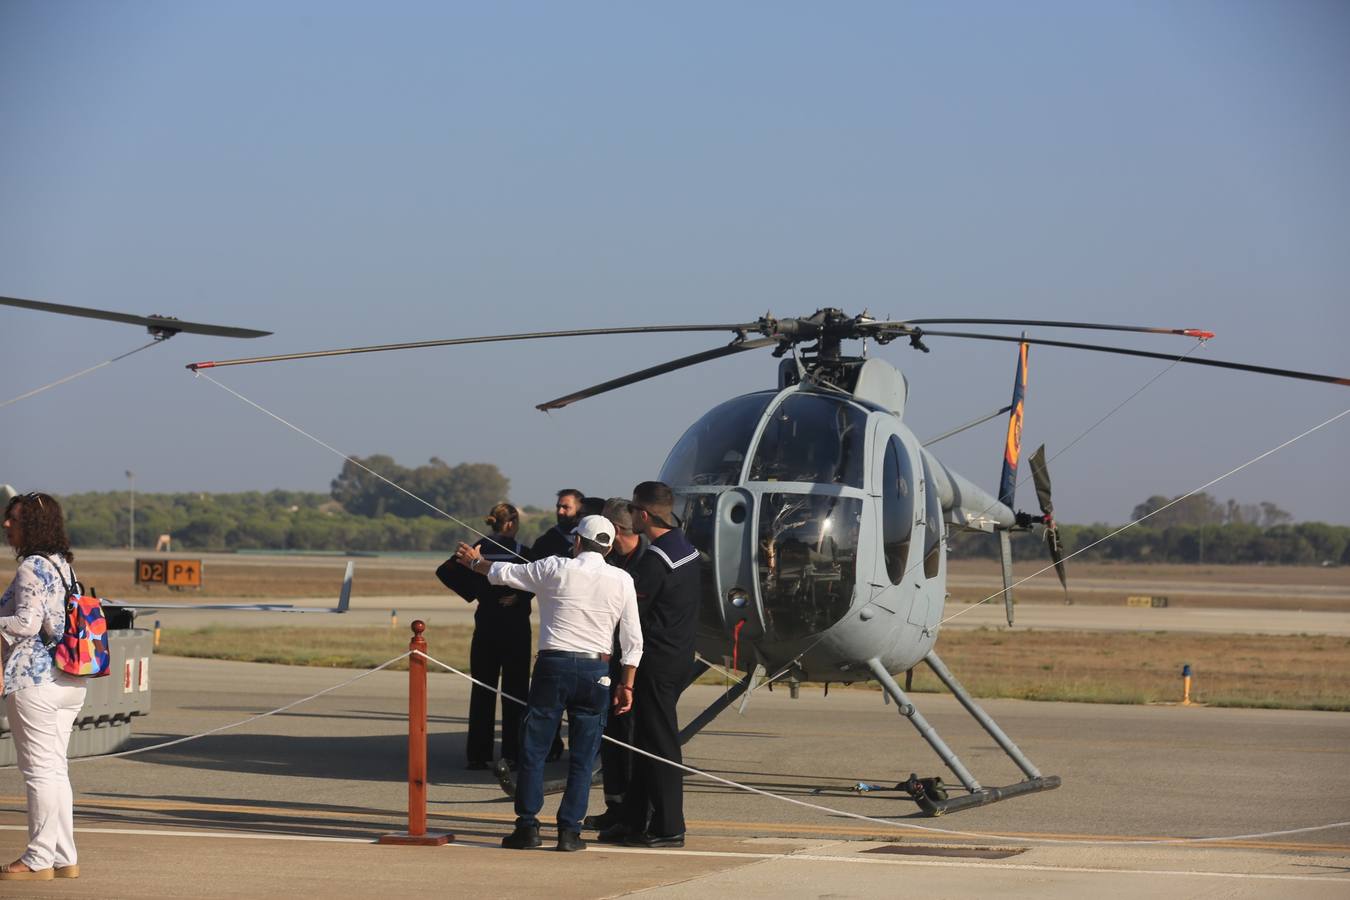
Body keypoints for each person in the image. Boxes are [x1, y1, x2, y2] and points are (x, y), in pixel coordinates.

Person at [454, 515, 641, 852]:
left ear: (578, 542)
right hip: (596, 671)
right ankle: (570, 831)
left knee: (534, 749)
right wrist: (626, 684)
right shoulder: (622, 579)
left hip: (553, 667)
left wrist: (474, 562)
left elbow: (503, 573)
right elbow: (633, 641)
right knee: (583, 757)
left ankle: (527, 826)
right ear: (609, 547)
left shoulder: (555, 567)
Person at [599, 481, 701, 849]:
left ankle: (669, 826)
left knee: (659, 744)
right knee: (644, 742)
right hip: (676, 656)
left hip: (656, 662)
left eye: (633, 509)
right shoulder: (685, 548)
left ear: (643, 515)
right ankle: (634, 819)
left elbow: (631, 613)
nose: (631, 515)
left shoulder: (656, 560)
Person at [0, 493, 86, 882]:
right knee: (54, 769)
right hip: (69, 679)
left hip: (34, 679)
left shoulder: (32, 567)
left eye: (14, 519)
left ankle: (37, 859)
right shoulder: (63, 566)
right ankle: (64, 856)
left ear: (33, 525)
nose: (6, 525)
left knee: (39, 772)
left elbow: (27, 623)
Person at [435, 502, 532, 770]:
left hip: (486, 625)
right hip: (515, 628)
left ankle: (478, 754)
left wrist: (476, 593)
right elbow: (539, 579)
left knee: (482, 690)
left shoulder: (477, 548)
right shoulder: (523, 552)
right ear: (511, 523)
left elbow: (444, 571)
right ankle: (512, 753)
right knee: (516, 692)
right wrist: (521, 596)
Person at [583, 497, 648, 831]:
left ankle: (634, 813)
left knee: (632, 738)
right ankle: (615, 805)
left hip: (635, 666)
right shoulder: (612, 562)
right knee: (611, 737)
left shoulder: (648, 563)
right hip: (608, 662)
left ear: (618, 529)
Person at [529, 489, 585, 561]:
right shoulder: (546, 541)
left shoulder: (589, 539)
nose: (560, 512)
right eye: (558, 507)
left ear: (580, 510)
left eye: (566, 507)